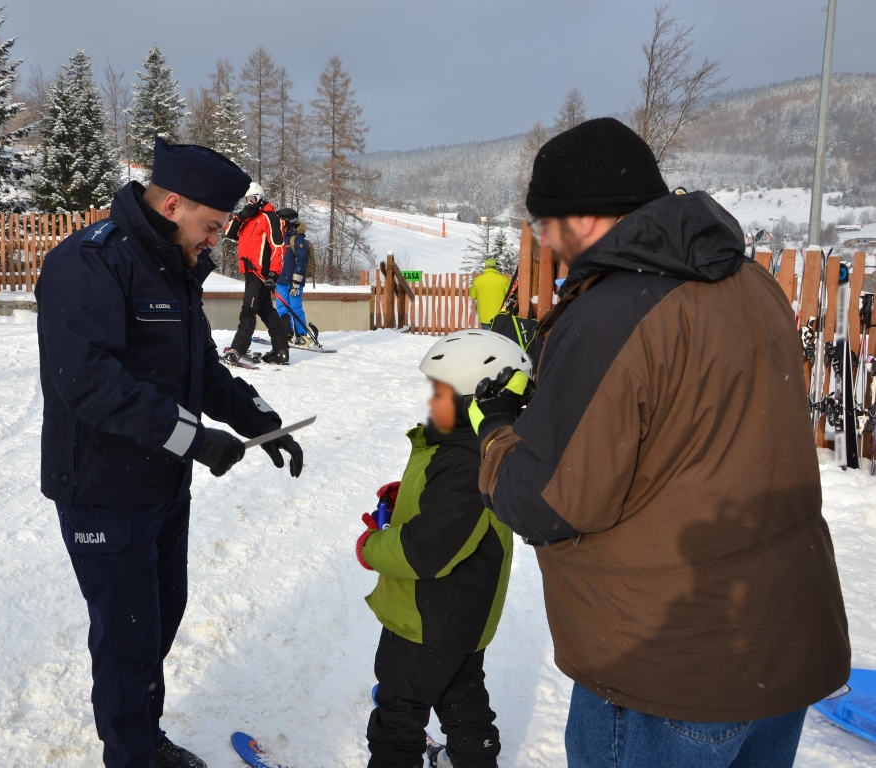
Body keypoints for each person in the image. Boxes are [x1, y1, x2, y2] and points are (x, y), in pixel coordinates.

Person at [472, 118, 850, 768]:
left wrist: (498, 429)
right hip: (779, 647)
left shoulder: (610, 314)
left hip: (667, 668)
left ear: (583, 216)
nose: (543, 240)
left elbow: (547, 502)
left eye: (544, 222)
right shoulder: (749, 281)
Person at [35, 137, 305, 768]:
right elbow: (88, 383)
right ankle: (130, 756)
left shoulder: (174, 267)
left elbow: (200, 367)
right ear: (173, 204)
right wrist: (195, 438)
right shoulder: (91, 262)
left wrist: (260, 420)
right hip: (102, 488)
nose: (216, 240)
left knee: (158, 621)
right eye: (211, 226)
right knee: (127, 641)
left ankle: (143, 740)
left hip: (161, 484)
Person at [358, 330, 531, 768]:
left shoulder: (463, 461)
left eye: (440, 393)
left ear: (475, 401)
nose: (431, 400)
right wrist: (408, 495)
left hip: (426, 620)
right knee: (462, 700)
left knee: (398, 713)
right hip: (462, 617)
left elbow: (425, 550)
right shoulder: (471, 448)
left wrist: (370, 547)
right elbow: (451, 513)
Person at [223, 182, 290, 365]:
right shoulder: (247, 218)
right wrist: (241, 216)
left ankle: (238, 349)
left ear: (260, 198)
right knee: (266, 310)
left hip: (260, 273)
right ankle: (281, 351)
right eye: (245, 200)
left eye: (252, 199)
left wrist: (273, 274)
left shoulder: (270, 217)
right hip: (249, 271)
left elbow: (278, 247)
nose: (248, 203)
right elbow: (229, 232)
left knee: (248, 311)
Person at [275, 207, 311, 346]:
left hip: (294, 281)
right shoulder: (279, 237)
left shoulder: (298, 238)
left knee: (295, 308)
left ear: (289, 222)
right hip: (281, 280)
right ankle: (286, 334)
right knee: (282, 309)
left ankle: (301, 335)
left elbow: (302, 261)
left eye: (281, 221)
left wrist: (296, 283)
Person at [468, 258, 510, 329]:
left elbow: (472, 295)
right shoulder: (504, 279)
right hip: (500, 316)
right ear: (495, 267)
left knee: (487, 335)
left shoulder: (478, 280)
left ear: (485, 267)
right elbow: (509, 294)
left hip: (484, 315)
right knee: (498, 335)